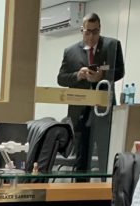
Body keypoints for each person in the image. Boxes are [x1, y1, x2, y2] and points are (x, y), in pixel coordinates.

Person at [57, 13, 124, 174]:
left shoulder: (112, 45)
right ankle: (80, 188)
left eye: (95, 32)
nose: (91, 36)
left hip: (103, 110)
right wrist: (77, 75)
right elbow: (61, 78)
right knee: (81, 159)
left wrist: (102, 74)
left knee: (105, 158)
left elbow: (119, 71)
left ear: (100, 29)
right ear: (82, 30)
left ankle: (104, 188)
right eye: (88, 32)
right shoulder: (70, 51)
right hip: (80, 111)